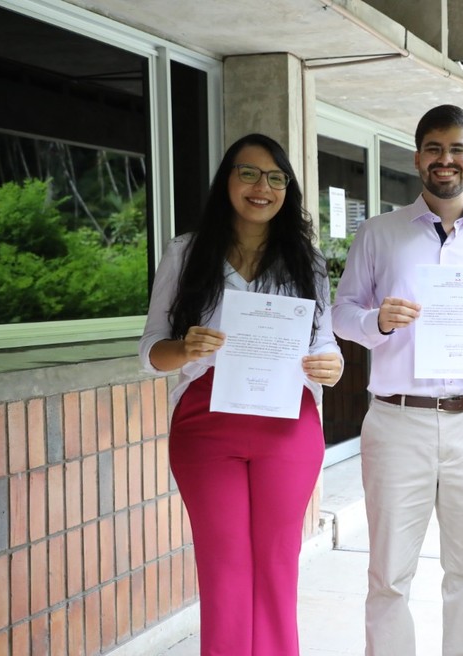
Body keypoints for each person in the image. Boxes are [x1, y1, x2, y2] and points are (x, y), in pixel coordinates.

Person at [331, 104, 463, 656]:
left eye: (455, 150)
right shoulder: (379, 233)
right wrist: (376, 321)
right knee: (388, 575)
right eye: (433, 149)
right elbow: (341, 313)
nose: (444, 160)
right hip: (398, 420)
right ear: (418, 156)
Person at [138, 133, 343, 656]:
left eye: (276, 178)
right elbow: (150, 352)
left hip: (286, 424)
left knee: (276, 564)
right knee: (224, 565)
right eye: (248, 173)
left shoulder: (307, 261)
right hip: (206, 424)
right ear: (227, 180)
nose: (262, 187)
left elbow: (325, 346)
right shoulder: (186, 253)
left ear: (287, 190)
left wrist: (332, 366)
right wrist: (183, 350)